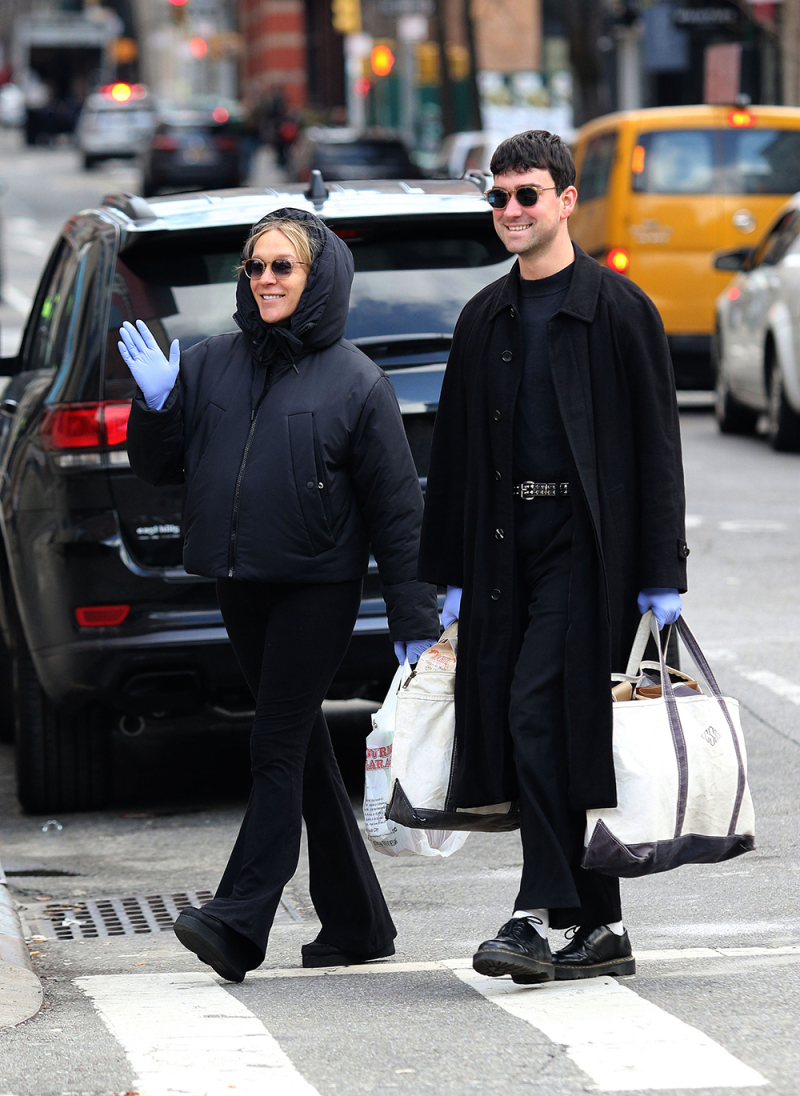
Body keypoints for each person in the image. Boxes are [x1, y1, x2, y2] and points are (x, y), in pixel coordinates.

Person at [120, 208, 440, 983]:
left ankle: (238, 920)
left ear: (316, 277)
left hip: (316, 587)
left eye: (282, 267)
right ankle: (358, 921)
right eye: (255, 267)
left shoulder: (357, 381)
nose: (265, 279)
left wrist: (414, 616)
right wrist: (158, 404)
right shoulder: (208, 364)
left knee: (274, 743)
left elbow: (398, 509)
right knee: (298, 754)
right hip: (241, 583)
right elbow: (158, 468)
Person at [418, 131, 688, 984]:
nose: (508, 212)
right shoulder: (483, 316)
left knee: (540, 714)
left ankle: (533, 914)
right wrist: (446, 575)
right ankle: (601, 927)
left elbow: (657, 445)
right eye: (496, 198)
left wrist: (661, 573)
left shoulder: (618, 308)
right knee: (538, 726)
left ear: (566, 200)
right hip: (503, 550)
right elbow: (455, 453)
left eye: (525, 195)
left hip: (586, 548)